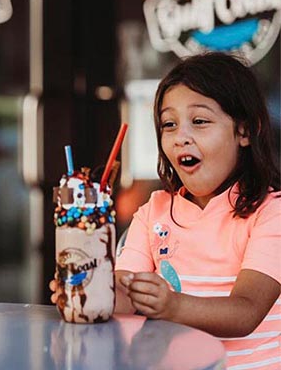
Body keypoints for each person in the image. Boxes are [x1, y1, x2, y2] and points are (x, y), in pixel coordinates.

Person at [50, 52, 280, 369]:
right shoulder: (154, 211)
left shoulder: (271, 213)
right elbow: (127, 295)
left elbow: (245, 311)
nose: (180, 137)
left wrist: (171, 305)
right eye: (169, 124)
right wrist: (88, 288)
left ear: (244, 131)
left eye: (199, 121)